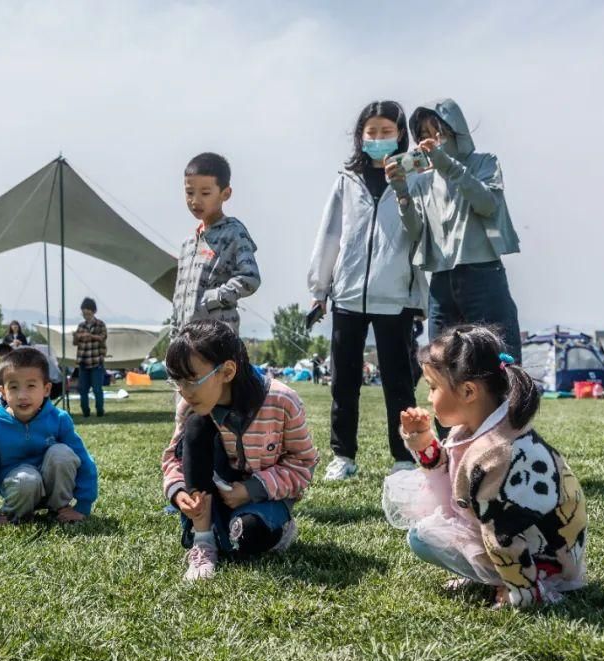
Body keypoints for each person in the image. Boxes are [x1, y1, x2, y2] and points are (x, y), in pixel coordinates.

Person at [385, 324, 587, 608]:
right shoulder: (474, 430)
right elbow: (450, 474)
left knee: (424, 538)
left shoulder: (499, 454)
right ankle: (489, 574)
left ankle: (526, 583)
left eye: (433, 388)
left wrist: (521, 590)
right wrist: (422, 441)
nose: (429, 398)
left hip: (546, 553)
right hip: (516, 536)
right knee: (422, 536)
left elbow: (505, 532)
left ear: (468, 391)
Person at [307, 100, 429, 480]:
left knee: (399, 383)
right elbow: (329, 235)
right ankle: (343, 456)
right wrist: (319, 287)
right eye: (371, 131)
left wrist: (420, 299)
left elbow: (423, 237)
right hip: (347, 295)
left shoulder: (416, 177)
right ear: (360, 136)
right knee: (344, 381)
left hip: (395, 297)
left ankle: (404, 458)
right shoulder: (347, 180)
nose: (377, 138)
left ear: (400, 135)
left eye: (386, 131)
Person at [161, 320, 318, 582]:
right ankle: (203, 541)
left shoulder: (281, 401)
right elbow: (174, 459)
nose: (184, 392)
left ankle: (276, 527)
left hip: (264, 497)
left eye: (191, 380)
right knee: (196, 425)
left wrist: (250, 490)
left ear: (228, 371)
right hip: (216, 494)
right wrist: (178, 493)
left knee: (248, 536)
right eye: (177, 381)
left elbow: (304, 464)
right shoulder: (190, 407)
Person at [405, 99, 523, 365]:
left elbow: (487, 204)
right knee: (442, 361)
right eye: (423, 136)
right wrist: (402, 192)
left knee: (497, 358)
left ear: (456, 129)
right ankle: (450, 408)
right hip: (441, 281)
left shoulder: (484, 163)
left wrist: (447, 165)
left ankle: (508, 408)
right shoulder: (422, 181)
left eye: (438, 133)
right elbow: (415, 231)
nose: (431, 141)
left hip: (482, 273)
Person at [0, 346, 98, 524]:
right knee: (27, 479)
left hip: (55, 488)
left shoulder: (59, 420)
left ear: (46, 389)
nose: (22, 395)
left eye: (31, 386)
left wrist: (83, 505)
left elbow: (83, 461)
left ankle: (59, 508)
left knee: (62, 454)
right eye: (13, 387)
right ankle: (18, 515)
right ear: (3, 392)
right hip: (21, 488)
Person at [171, 153, 261, 337]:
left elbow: (250, 277)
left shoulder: (233, 232)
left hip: (216, 339)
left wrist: (213, 298)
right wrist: (175, 337)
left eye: (205, 193)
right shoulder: (188, 245)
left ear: (225, 194)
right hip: (187, 341)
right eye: (189, 192)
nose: (195, 200)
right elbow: (178, 298)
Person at [73, 297, 107, 418]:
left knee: (97, 389)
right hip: (83, 361)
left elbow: (103, 337)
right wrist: (77, 336)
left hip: (96, 361)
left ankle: (99, 411)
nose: (85, 315)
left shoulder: (100, 324)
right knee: (83, 390)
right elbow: (75, 342)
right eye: (84, 313)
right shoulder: (81, 326)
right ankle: (85, 412)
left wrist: (90, 336)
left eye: (88, 313)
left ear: (93, 312)